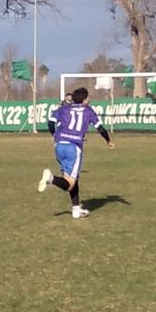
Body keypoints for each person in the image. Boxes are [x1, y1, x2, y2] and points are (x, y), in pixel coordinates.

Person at [37, 87, 114, 219]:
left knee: (72, 178)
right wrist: (108, 141)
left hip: (59, 146)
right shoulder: (88, 111)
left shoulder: (64, 108)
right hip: (74, 148)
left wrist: (54, 135)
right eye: (88, 98)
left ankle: (76, 209)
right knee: (69, 183)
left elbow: (50, 122)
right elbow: (100, 128)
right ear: (84, 100)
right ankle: (51, 178)